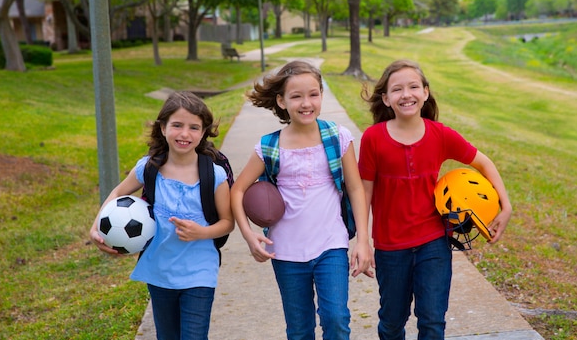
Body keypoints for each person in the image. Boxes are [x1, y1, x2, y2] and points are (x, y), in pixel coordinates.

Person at [358, 60, 512, 340]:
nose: (407, 94)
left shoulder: (440, 134)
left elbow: (484, 163)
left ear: (426, 92)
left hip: (433, 243)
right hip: (390, 247)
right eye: (397, 89)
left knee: (432, 322)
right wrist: (362, 241)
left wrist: (506, 205)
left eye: (414, 87)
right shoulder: (373, 139)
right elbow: (363, 192)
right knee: (392, 323)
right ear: (386, 99)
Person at [230, 60, 373, 340]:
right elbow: (237, 190)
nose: (306, 103)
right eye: (296, 96)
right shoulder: (269, 146)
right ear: (282, 101)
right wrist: (249, 236)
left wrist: (363, 240)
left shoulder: (337, 137)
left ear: (322, 95)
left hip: (330, 244)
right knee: (299, 330)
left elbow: (356, 189)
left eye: (313, 94)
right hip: (285, 251)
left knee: (336, 319)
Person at [89, 91, 234, 340]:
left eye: (193, 127)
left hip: (199, 271)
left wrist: (203, 232)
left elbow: (227, 222)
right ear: (164, 127)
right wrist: (95, 227)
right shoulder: (149, 168)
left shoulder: (214, 175)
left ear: (203, 132)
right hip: (159, 271)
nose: (184, 134)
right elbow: (118, 192)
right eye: (177, 125)